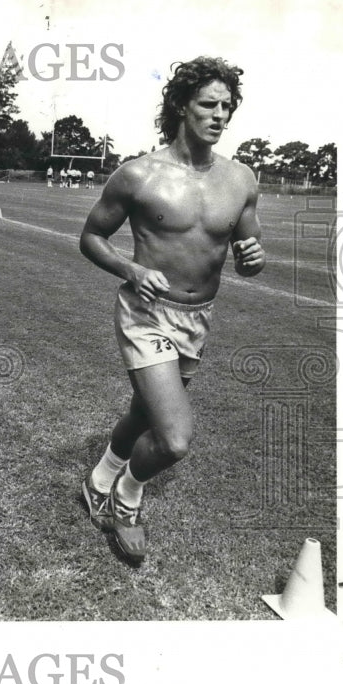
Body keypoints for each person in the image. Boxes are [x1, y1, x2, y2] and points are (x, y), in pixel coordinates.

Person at [79, 56, 265, 563]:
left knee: (145, 410)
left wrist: (254, 258)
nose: (220, 114)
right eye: (209, 104)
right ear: (182, 105)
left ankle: (99, 479)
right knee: (175, 438)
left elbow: (248, 260)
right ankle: (127, 497)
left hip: (197, 319)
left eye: (228, 106)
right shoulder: (138, 175)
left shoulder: (241, 180)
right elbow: (91, 237)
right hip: (146, 313)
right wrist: (131, 270)